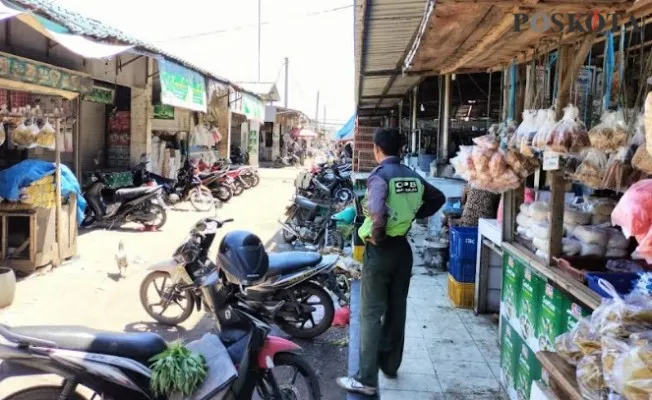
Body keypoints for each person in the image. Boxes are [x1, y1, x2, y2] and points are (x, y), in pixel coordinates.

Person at [337, 128, 445, 396]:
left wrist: (377, 235)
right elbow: (438, 198)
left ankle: (366, 379)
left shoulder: (380, 176)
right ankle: (390, 365)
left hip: (381, 250)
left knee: (371, 314)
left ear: (377, 149)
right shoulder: (411, 176)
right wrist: (412, 215)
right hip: (402, 252)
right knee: (397, 310)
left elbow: (376, 212)